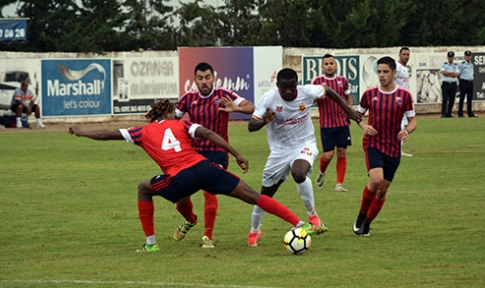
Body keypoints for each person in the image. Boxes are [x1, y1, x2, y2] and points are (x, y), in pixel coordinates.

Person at [69, 99, 318, 253]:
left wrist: (81, 132)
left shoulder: (140, 132)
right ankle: (299, 223)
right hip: (205, 167)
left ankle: (151, 244)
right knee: (252, 195)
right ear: (167, 115)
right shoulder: (181, 125)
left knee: (145, 188)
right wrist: (237, 153)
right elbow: (208, 134)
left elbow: (106, 134)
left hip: (180, 176)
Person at [247, 68, 362, 247]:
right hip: (279, 151)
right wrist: (264, 121)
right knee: (265, 195)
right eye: (283, 88)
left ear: (296, 84)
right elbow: (250, 126)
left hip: (304, 144)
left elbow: (328, 90)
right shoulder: (269, 98)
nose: (287, 91)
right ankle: (254, 230)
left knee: (299, 173)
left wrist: (348, 110)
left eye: (291, 87)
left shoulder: (306, 92)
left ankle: (313, 217)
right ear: (277, 86)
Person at [174, 62, 255, 248]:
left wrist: (236, 109)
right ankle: (190, 219)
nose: (204, 82)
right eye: (200, 78)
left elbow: (251, 107)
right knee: (181, 197)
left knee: (210, 190)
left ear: (213, 78)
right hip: (193, 154)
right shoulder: (188, 98)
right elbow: (172, 121)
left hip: (217, 153)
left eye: (207, 77)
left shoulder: (224, 95)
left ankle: (207, 236)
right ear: (194, 80)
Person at [352, 56, 417, 236]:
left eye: (385, 72)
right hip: (373, 143)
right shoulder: (370, 94)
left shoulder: (404, 96)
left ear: (394, 73)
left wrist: (407, 131)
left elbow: (413, 121)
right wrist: (364, 126)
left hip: (394, 148)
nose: (381, 75)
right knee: (376, 180)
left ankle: (367, 222)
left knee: (382, 191)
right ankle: (361, 214)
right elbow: (358, 115)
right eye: (379, 71)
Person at [311, 54, 353, 192]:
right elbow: (311, 100)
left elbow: (348, 98)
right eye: (326, 64)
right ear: (322, 67)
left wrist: (348, 112)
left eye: (331, 63)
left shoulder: (342, 81)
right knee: (328, 155)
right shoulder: (317, 81)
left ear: (335, 65)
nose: (329, 66)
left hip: (342, 123)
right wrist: (317, 97)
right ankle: (321, 173)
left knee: (342, 152)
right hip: (326, 124)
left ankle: (339, 184)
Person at [395, 47, 413, 157]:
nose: (406, 56)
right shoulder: (397, 67)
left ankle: (398, 149)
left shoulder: (405, 69)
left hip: (404, 101)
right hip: (397, 101)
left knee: (403, 125)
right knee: (400, 125)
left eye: (407, 54)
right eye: (404, 54)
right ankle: (397, 150)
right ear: (399, 55)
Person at [458, 50, 477, 118]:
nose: (468, 57)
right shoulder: (462, 64)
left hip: (470, 82)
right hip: (464, 82)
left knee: (469, 98)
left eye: (469, 56)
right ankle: (460, 113)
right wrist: (461, 80)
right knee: (462, 98)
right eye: (467, 56)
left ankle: (469, 112)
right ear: (464, 57)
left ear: (471, 57)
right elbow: (458, 74)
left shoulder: (471, 65)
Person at [440, 51, 459, 118]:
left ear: (453, 58)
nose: (450, 59)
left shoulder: (455, 65)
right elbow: (444, 73)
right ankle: (443, 113)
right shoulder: (444, 65)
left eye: (452, 57)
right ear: (447, 58)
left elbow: (457, 74)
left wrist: (448, 74)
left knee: (452, 99)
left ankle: (449, 113)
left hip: (453, 84)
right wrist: (452, 74)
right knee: (445, 99)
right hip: (446, 84)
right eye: (449, 57)